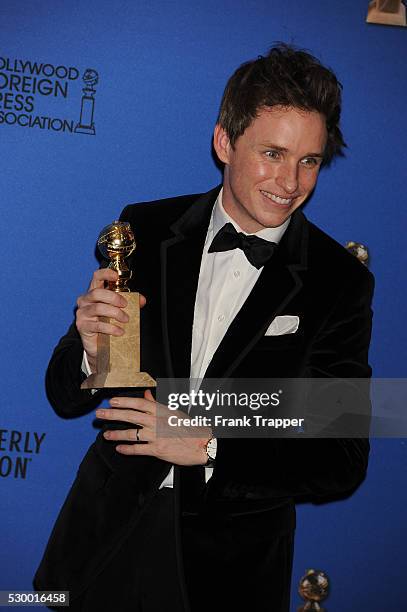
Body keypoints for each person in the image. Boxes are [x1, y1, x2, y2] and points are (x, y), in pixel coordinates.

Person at [34, 43, 374, 612]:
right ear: (225, 142)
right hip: (99, 545)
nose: (290, 182)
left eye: (309, 160)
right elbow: (63, 394)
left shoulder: (340, 283)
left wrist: (212, 445)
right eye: (272, 153)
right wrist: (92, 355)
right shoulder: (145, 226)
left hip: (227, 573)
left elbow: (342, 457)